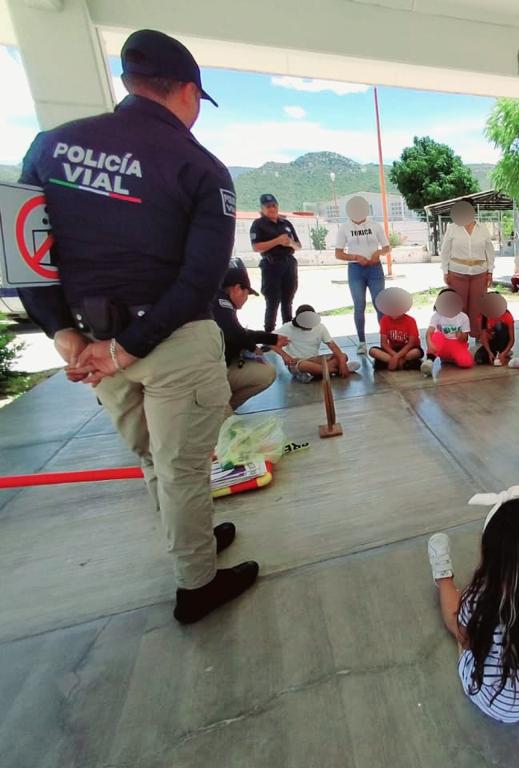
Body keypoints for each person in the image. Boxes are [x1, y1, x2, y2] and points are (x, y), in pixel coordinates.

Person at [16, 29, 258, 624]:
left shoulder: (50, 146)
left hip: (92, 343)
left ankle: (188, 543)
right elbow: (201, 279)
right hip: (168, 340)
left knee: (154, 459)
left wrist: (64, 334)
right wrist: (127, 348)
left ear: (130, 83)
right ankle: (196, 585)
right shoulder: (200, 166)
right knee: (181, 467)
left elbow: (21, 250)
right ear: (188, 92)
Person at [425, 495, 519, 723]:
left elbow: (468, 637)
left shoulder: (481, 598)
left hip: (494, 702)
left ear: (490, 557)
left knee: (461, 631)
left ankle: (443, 576)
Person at [212, 259, 283, 411]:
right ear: (237, 288)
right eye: (247, 294)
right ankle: (219, 414)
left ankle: (225, 410)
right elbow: (233, 331)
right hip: (206, 376)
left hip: (216, 369)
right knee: (265, 373)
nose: (245, 299)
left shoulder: (216, 300)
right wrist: (252, 347)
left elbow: (239, 332)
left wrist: (271, 338)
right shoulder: (219, 302)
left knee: (266, 371)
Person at [334, 196, 391, 354]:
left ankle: (384, 341)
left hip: (375, 269)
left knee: (380, 304)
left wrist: (378, 252)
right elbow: (338, 253)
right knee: (359, 305)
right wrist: (355, 257)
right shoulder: (344, 228)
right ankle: (361, 342)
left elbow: (387, 247)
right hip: (355, 270)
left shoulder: (375, 225)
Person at [440, 200, 494, 338]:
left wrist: (490, 271)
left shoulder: (483, 228)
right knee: (458, 306)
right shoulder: (452, 228)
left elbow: (489, 251)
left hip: (479, 273)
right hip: (457, 272)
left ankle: (479, 335)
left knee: (478, 307)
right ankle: (456, 337)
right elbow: (445, 250)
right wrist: (445, 271)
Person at [250, 193, 301, 333]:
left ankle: (288, 333)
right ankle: (269, 335)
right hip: (271, 265)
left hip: (289, 263)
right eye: (268, 206)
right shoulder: (258, 224)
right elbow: (256, 247)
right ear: (262, 208)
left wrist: (289, 242)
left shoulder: (286, 224)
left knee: (288, 301)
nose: (272, 209)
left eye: (274, 205)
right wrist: (277, 241)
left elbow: (298, 246)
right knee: (272, 301)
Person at [271, 305, 360, 382]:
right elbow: (269, 342)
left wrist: (342, 361)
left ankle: (316, 373)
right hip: (298, 361)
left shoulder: (320, 327)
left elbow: (332, 345)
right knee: (304, 365)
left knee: (343, 356)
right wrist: (285, 355)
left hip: (316, 360)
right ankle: (336, 371)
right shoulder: (288, 328)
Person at [422, 288, 473, 377]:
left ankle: (450, 358)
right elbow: (429, 332)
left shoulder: (463, 317)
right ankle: (430, 361)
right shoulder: (437, 315)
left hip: (456, 344)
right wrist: (430, 344)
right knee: (437, 335)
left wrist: (461, 336)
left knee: (466, 363)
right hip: (442, 344)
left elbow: (465, 338)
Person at [369, 290, 423, 372]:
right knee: (372, 351)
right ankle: (403, 364)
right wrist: (395, 356)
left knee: (415, 353)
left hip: (408, 350)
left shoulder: (411, 320)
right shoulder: (384, 320)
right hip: (392, 350)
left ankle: (391, 362)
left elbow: (411, 344)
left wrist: (396, 357)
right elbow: (383, 344)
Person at [475, 293, 516, 366]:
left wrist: (504, 353)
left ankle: (504, 351)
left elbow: (512, 339)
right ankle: (494, 353)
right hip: (491, 342)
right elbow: (483, 337)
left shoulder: (506, 315)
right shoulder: (482, 317)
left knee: (499, 326)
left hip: (503, 340)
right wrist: (489, 352)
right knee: (479, 359)